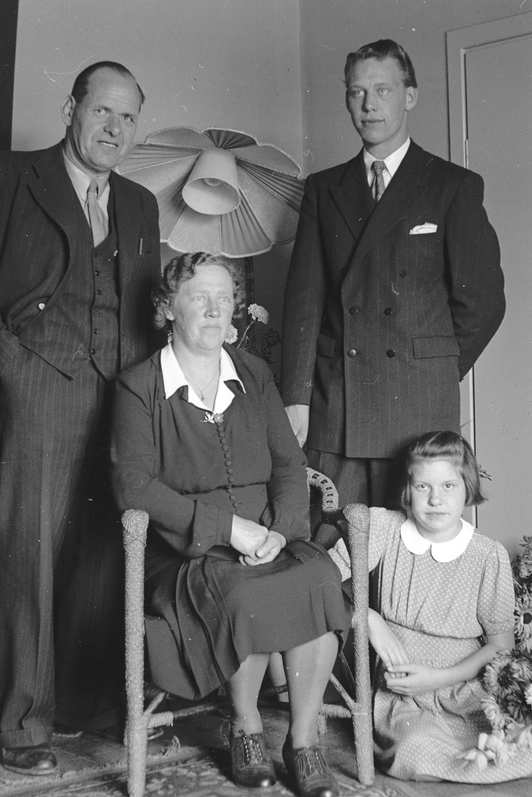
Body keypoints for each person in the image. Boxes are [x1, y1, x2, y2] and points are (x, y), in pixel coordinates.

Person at [0, 62, 162, 775]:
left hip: (119, 395)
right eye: (102, 111)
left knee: (105, 553)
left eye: (128, 118)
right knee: (27, 552)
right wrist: (12, 364)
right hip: (36, 389)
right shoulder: (10, 177)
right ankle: (24, 725)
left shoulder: (140, 204)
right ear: (70, 109)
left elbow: (145, 309)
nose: (114, 129)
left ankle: (87, 709)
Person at [112, 252, 350, 797]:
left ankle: (303, 740)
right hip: (185, 550)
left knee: (317, 576)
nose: (215, 310)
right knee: (242, 591)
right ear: (167, 307)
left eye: (224, 298)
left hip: (269, 535)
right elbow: (134, 487)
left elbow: (289, 464)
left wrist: (282, 531)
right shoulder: (138, 386)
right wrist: (228, 530)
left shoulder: (254, 373)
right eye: (200, 297)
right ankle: (246, 728)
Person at [281, 39, 506, 517]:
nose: (369, 104)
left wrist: (431, 365)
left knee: (416, 540)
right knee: (332, 535)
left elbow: (483, 302)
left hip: (416, 401)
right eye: (357, 92)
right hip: (337, 400)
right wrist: (296, 397)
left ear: (410, 96)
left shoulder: (452, 185)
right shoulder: (323, 188)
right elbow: (304, 301)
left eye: (382, 89)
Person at [328, 431, 532, 782]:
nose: (435, 499)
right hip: (402, 692)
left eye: (448, 486)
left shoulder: (486, 554)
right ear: (407, 489)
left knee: (529, 741)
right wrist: (366, 617)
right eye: (422, 487)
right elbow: (320, 580)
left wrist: (438, 679)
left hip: (465, 686)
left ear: (467, 487)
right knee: (414, 749)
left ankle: (472, 760)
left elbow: (500, 645)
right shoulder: (386, 529)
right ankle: (450, 762)